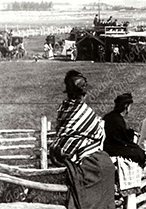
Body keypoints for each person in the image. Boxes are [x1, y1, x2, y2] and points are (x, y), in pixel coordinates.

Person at [49, 70, 115, 209]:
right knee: (105, 165)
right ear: (81, 95)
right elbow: (97, 132)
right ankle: (97, 204)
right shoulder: (82, 110)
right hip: (76, 150)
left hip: (62, 145)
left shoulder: (65, 106)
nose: (83, 97)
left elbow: (65, 128)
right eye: (82, 94)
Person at [103, 93, 146, 166]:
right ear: (126, 106)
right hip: (113, 148)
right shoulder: (118, 120)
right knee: (139, 152)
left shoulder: (109, 116)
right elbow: (122, 139)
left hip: (107, 145)